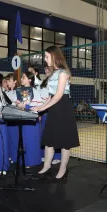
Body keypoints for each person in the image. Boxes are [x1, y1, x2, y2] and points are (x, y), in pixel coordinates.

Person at [31, 45, 80, 181]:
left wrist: (42, 109)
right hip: (54, 109)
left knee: (65, 142)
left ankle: (63, 169)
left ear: (54, 56)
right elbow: (50, 96)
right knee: (49, 140)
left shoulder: (64, 73)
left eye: (47, 56)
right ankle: (46, 166)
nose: (45, 59)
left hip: (63, 109)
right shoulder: (52, 74)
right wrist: (40, 106)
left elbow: (58, 96)